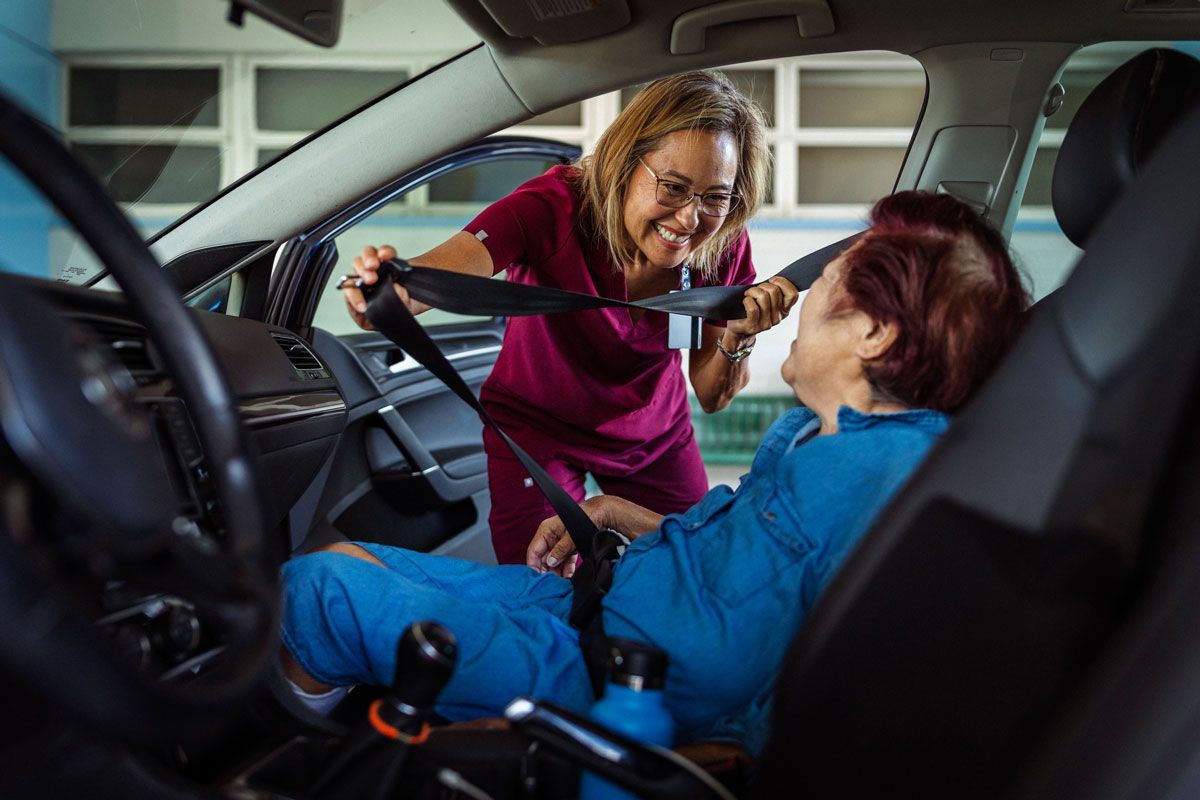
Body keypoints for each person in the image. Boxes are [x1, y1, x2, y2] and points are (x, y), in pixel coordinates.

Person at [283, 190, 1030, 756]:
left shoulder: (887, 476)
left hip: (608, 682)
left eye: (823, 287)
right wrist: (619, 515)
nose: (802, 304)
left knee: (318, 593)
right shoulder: (825, 436)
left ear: (871, 331)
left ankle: (297, 760)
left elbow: (813, 677)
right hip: (595, 610)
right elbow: (752, 564)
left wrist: (718, 753)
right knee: (337, 563)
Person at [342, 71, 798, 564]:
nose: (690, 219)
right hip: (539, 433)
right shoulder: (553, 207)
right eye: (673, 187)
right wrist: (384, 294)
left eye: (715, 196)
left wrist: (738, 333)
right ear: (626, 164)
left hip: (655, 437)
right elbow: (434, 276)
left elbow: (711, 395)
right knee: (544, 587)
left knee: (691, 566)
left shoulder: (722, 246)